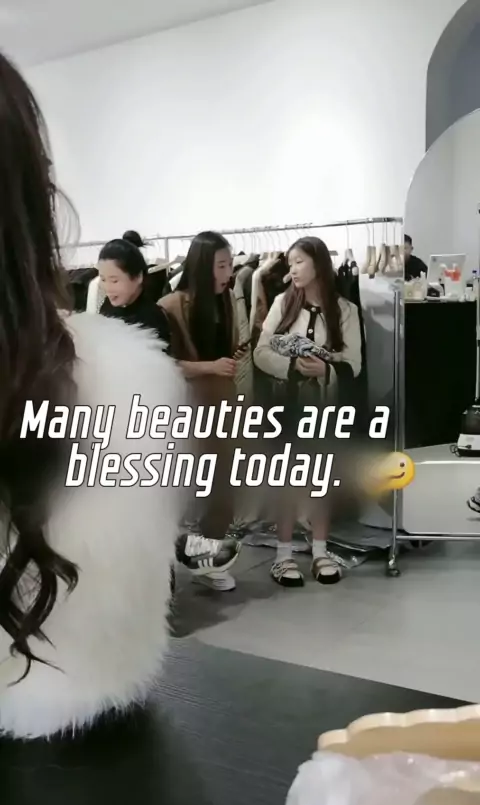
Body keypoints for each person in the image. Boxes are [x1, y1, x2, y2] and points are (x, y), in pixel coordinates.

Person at [0, 51, 184, 739]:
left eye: (115, 277)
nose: (107, 286)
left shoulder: (131, 352)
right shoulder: (126, 375)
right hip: (85, 728)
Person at [254, 236, 362, 588]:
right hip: (287, 405)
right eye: (290, 263)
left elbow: (355, 363)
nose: (293, 269)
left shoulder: (345, 310)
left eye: (299, 261)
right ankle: (283, 556)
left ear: (318, 263)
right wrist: (292, 368)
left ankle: (320, 550)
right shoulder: (282, 302)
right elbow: (260, 352)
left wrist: (327, 370)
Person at [159, 231, 243, 592]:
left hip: (223, 405)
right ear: (202, 265)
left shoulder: (227, 301)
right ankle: (164, 564)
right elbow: (164, 363)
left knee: (224, 487)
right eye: (221, 265)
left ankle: (209, 560)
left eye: (230, 264)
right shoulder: (170, 306)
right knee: (179, 490)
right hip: (186, 407)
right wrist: (209, 367)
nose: (229, 272)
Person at [98, 236, 169, 337]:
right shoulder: (107, 307)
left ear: (138, 277)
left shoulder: (152, 319)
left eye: (114, 281)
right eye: (103, 279)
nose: (107, 288)